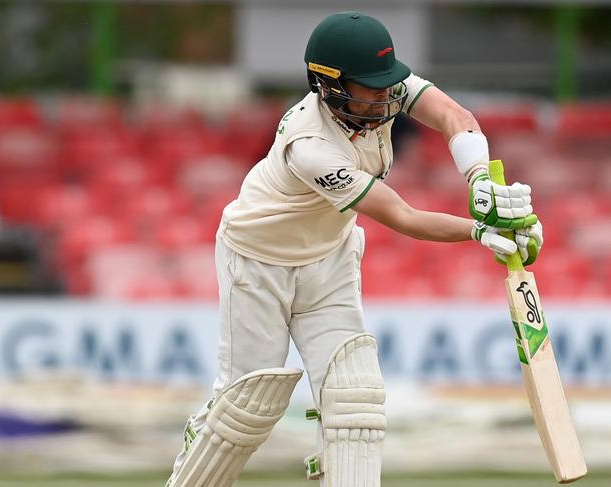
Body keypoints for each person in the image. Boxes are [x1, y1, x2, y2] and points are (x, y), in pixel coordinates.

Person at [165, 11, 543, 487]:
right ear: (330, 85)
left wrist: (480, 182)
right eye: (372, 85)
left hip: (330, 255)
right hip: (259, 261)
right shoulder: (310, 145)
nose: (387, 94)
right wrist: (478, 231)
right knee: (245, 407)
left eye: (389, 82)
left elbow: (455, 117)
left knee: (354, 401)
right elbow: (402, 216)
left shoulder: (382, 90)